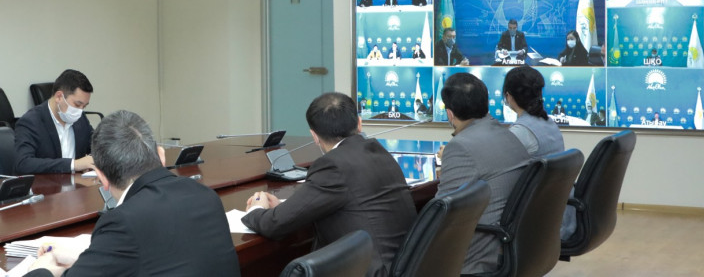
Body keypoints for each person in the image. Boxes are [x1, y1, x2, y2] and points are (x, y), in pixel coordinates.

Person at [26, 110, 239, 277]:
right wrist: (88, 259)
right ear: (161, 156)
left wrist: (42, 268)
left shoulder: (123, 222)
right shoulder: (205, 196)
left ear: (102, 178)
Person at [242, 93, 416, 277]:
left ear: (314, 136)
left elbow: (275, 224)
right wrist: (285, 207)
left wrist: (256, 209)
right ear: (359, 123)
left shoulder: (333, 165)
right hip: (405, 267)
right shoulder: (378, 151)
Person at [436, 73, 530, 275]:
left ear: (450, 114)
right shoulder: (506, 133)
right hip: (514, 245)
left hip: (478, 255)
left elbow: (441, 214)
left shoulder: (460, 146)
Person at [501, 66, 575, 239]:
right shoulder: (549, 123)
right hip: (557, 216)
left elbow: (497, 171)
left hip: (537, 221)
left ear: (508, 96)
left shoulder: (521, 132)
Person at [14, 69, 95, 174]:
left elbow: (96, 146)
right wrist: (73, 165)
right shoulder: (31, 122)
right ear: (59, 97)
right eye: (77, 104)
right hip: (46, 183)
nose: (80, 111)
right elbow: (23, 163)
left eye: (84, 106)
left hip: (77, 182)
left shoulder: (80, 119)